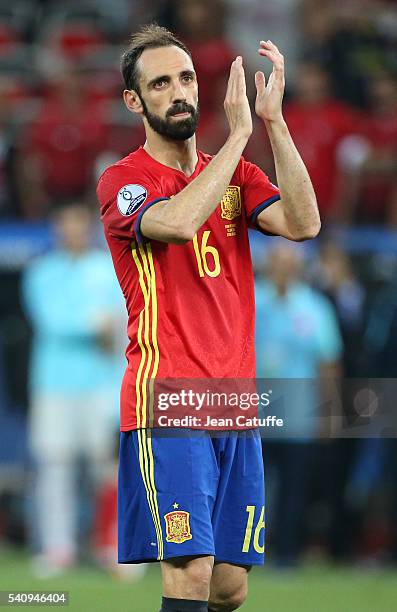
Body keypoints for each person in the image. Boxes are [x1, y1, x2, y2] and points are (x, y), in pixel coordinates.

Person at [97, 24, 320, 612]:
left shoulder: (236, 176)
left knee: (229, 586)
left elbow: (304, 224)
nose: (180, 92)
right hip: (165, 401)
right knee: (190, 571)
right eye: (162, 82)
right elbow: (175, 224)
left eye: (188, 78)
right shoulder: (123, 181)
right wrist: (237, 138)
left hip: (234, 402)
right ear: (134, 101)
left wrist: (271, 123)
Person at [22, 202, 123, 577]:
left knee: (108, 469)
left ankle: (112, 547)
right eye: (65, 226)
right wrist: (95, 324)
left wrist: (104, 327)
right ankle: (57, 548)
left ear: (90, 229)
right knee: (54, 467)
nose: (73, 232)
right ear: (56, 230)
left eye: (79, 226)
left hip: (103, 385)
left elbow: (123, 322)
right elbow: (52, 322)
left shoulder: (107, 270)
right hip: (53, 385)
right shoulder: (41, 273)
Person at [255, 242, 342, 567]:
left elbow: (329, 362)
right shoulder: (250, 299)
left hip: (298, 412)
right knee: (250, 488)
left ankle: (287, 555)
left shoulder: (315, 307)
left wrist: (330, 411)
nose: (283, 269)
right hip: (253, 411)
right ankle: (244, 552)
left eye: (289, 263)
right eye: (277, 262)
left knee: (294, 488)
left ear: (299, 267)